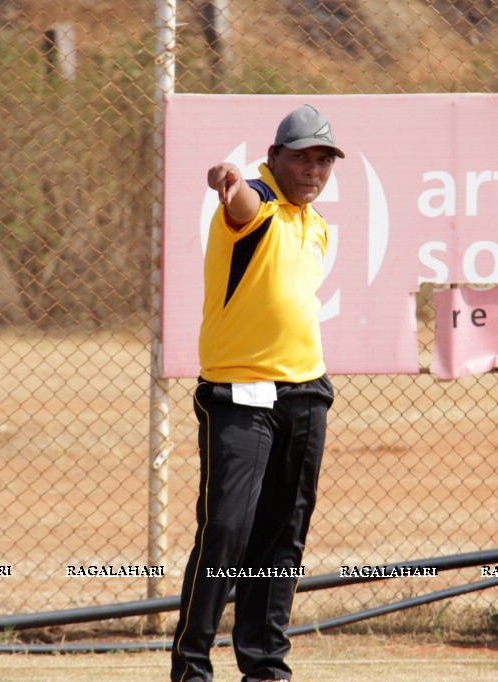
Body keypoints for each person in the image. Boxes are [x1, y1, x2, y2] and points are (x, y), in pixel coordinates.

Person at [171, 104, 344, 682]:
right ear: (274, 158)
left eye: (323, 159)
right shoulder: (259, 203)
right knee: (226, 528)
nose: (313, 169)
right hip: (240, 393)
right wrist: (227, 179)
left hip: (306, 393)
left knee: (281, 539)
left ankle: (265, 666)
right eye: (301, 157)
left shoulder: (315, 223)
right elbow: (240, 199)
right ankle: (192, 668)